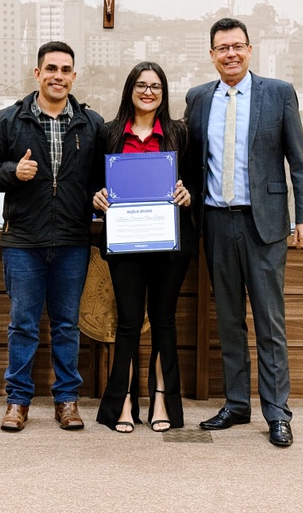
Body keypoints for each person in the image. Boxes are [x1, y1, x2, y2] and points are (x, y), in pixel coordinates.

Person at [184, 18, 303, 448]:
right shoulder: (198, 98)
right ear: (211, 55)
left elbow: (299, 161)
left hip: (265, 224)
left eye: (238, 46)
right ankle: (237, 404)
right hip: (215, 221)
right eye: (222, 48)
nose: (231, 54)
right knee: (228, 320)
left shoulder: (278, 93)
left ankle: (277, 413)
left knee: (269, 321)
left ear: (250, 50)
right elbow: (190, 163)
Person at [0, 41, 107, 433]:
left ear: (74, 77)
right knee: (23, 325)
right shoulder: (10, 120)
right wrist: (12, 172)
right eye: (51, 69)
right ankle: (18, 401)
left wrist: (99, 197)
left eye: (65, 70)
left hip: (72, 240)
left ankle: (67, 400)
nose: (58, 76)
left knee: (67, 325)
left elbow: (101, 178)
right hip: (23, 241)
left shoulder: (91, 123)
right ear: (37, 73)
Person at [92, 62, 195, 433]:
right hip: (125, 242)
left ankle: (162, 399)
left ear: (163, 93)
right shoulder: (108, 133)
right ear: (130, 90)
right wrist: (96, 198)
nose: (148, 92)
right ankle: (124, 401)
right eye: (141, 85)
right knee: (129, 323)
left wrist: (188, 195)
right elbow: (92, 184)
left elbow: (197, 181)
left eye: (155, 86)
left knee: (164, 321)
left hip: (169, 244)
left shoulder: (180, 133)